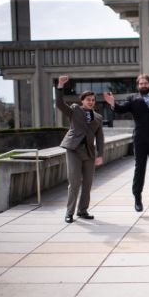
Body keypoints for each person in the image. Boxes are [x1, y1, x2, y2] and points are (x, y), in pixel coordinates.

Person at [106, 74, 149, 212]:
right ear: (137, 86)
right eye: (140, 84)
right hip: (140, 140)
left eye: (145, 83)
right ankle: (137, 199)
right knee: (139, 169)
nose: (143, 86)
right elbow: (121, 109)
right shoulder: (132, 99)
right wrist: (112, 103)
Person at [54, 75, 105, 224]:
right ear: (82, 101)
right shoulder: (75, 111)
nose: (91, 102)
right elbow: (59, 103)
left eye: (93, 100)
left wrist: (100, 154)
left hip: (89, 152)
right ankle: (69, 212)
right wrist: (60, 87)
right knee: (75, 182)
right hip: (74, 149)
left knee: (88, 183)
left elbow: (100, 137)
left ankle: (82, 210)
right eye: (88, 99)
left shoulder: (98, 117)